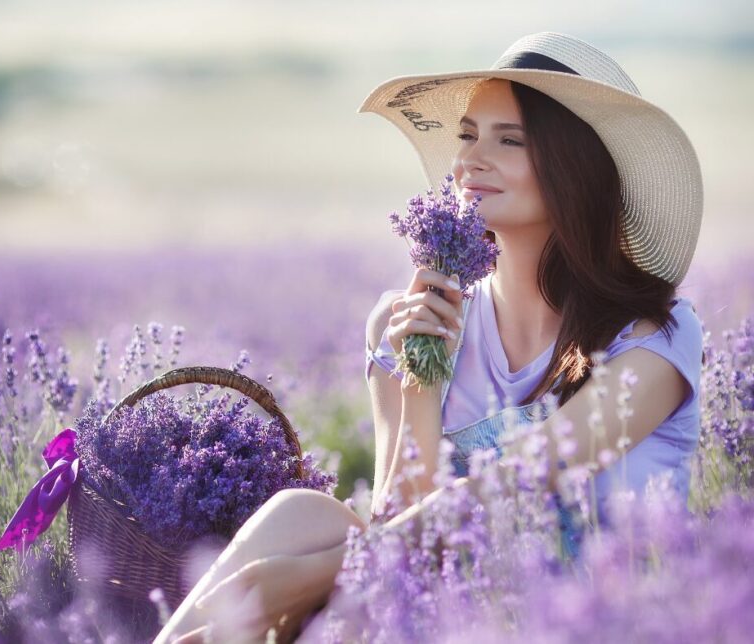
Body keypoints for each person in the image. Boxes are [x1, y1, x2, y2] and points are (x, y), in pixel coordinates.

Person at [155, 31, 705, 643]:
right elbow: (399, 523)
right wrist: (423, 375)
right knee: (303, 515)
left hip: (586, 621)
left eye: (510, 140)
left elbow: (519, 480)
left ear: (575, 169)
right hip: (444, 616)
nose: (470, 159)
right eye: (467, 135)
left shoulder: (653, 334)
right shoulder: (407, 321)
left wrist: (301, 578)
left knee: (348, 591)